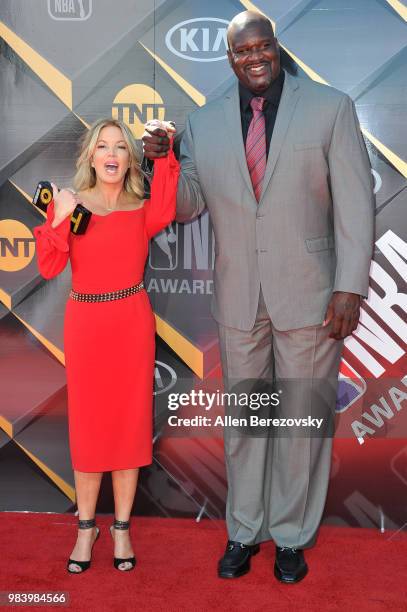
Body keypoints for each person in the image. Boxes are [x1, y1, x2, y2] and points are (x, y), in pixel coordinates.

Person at [142, 11, 374, 583]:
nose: (255, 57)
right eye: (243, 50)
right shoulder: (203, 123)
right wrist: (163, 160)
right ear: (230, 59)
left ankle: (292, 537)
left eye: (263, 46)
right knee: (247, 423)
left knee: (300, 423)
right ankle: (244, 532)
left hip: (312, 296)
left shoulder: (330, 107)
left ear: (276, 47)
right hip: (241, 298)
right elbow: (187, 205)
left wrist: (349, 286)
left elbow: (355, 203)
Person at [33, 118, 179, 573]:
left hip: (131, 324)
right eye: (103, 146)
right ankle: (84, 528)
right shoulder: (72, 204)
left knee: (128, 427)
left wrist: (166, 152)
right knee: (91, 426)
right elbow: (49, 268)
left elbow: (169, 201)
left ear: (129, 158)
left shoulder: (142, 208)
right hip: (87, 325)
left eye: (119, 146)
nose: (111, 153)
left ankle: (121, 530)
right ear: (91, 157)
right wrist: (59, 216)